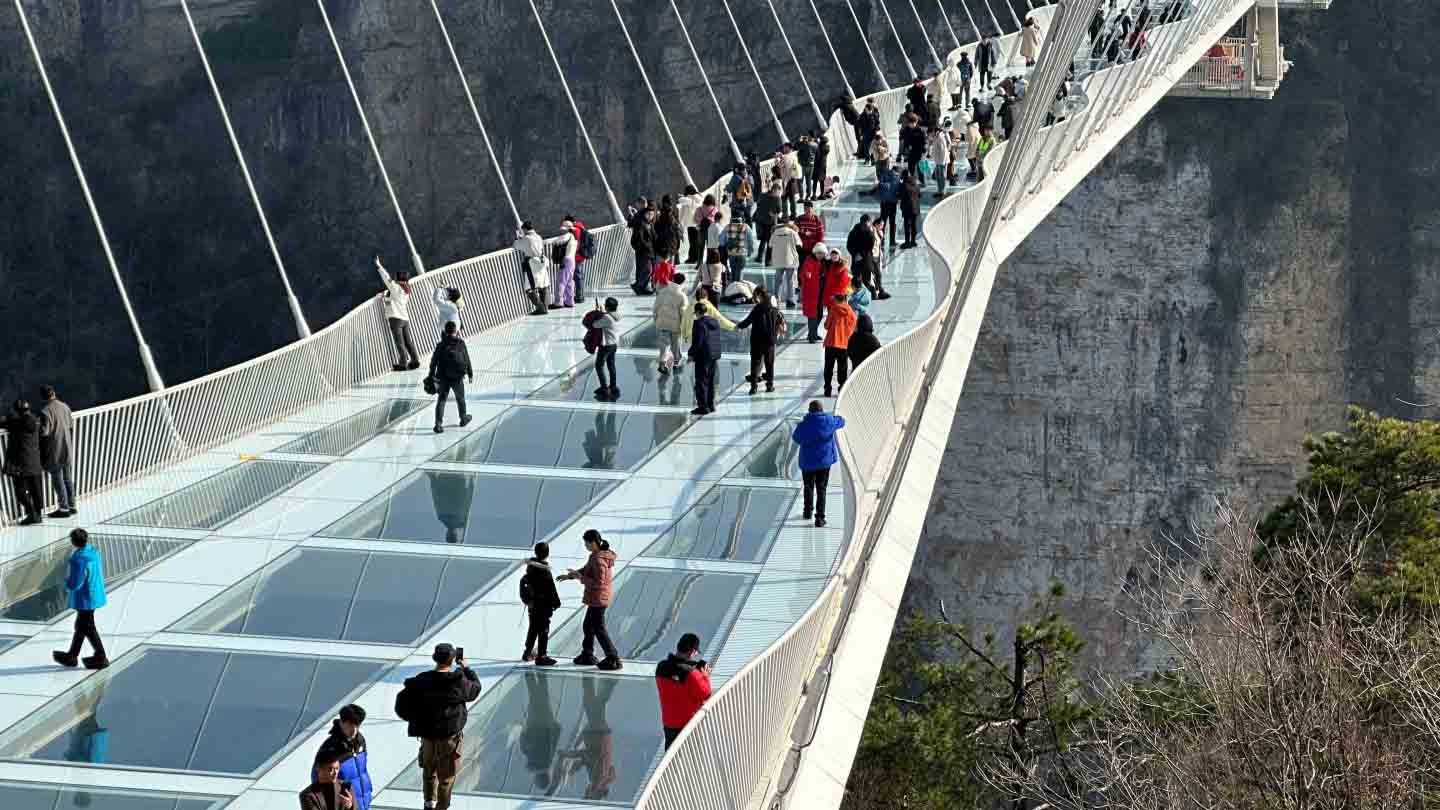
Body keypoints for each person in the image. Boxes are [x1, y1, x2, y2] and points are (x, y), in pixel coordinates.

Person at [394, 644, 482, 810]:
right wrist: (467, 668)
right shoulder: (457, 681)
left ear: (435, 658)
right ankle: (441, 806)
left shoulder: (421, 680)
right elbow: (475, 689)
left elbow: (401, 705)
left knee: (428, 771)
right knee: (446, 777)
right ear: (452, 660)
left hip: (427, 736)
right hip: (449, 738)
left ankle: (428, 803)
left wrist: (415, 720)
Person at [558, 529, 622, 670]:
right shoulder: (595, 556)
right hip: (596, 598)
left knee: (599, 629)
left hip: (599, 598)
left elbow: (600, 582)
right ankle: (587, 654)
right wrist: (571, 575)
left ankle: (613, 658)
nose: (585, 546)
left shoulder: (598, 559)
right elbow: (587, 570)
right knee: (588, 625)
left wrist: (580, 578)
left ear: (593, 542)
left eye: (587, 543)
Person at [51, 527, 107, 669]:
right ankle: (72, 655)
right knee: (82, 626)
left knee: (88, 627)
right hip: (94, 594)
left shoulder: (79, 560)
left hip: (85, 598)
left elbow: (75, 583)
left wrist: (66, 582)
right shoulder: (92, 552)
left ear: (74, 542)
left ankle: (101, 656)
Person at [655, 632, 713, 750]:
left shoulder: (661, 667)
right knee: (690, 760)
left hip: (669, 723)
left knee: (671, 759)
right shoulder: (691, 674)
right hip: (687, 725)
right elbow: (706, 693)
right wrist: (705, 676)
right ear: (692, 652)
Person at [791, 401, 845, 527]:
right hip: (824, 462)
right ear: (821, 410)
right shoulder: (828, 421)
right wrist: (835, 417)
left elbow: (796, 438)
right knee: (821, 489)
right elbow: (842, 421)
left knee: (808, 486)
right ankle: (820, 518)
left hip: (808, 462)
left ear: (809, 411)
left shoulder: (804, 425)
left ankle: (807, 511)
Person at [313, 705, 373, 810]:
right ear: (341, 722)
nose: (354, 730)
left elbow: (362, 771)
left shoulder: (360, 741)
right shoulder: (331, 748)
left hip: (363, 803)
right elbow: (316, 778)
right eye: (350, 725)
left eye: (357, 725)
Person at [735, 287, 784, 395]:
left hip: (757, 341)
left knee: (755, 364)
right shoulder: (774, 309)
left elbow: (747, 322)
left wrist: (737, 326)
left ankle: (754, 387)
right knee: (769, 364)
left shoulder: (757, 309)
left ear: (759, 295)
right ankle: (770, 385)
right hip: (770, 341)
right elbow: (780, 320)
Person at [798, 244, 851, 343]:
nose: (820, 255)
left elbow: (839, 266)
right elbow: (803, 274)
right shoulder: (809, 260)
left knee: (819, 314)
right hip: (811, 293)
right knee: (812, 315)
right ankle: (812, 336)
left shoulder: (824, 262)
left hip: (821, 293)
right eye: (819, 253)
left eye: (822, 253)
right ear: (815, 252)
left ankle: (813, 333)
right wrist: (806, 274)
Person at [521, 542, 562, 666]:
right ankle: (541, 656)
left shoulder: (530, 568)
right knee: (543, 630)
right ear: (547, 554)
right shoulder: (545, 571)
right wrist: (556, 603)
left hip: (533, 605)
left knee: (533, 628)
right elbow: (551, 589)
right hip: (543, 605)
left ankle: (528, 652)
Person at [3, 399, 43, 525]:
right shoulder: (35, 421)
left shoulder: (16, 424)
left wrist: (9, 417)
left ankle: (32, 514)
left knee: (20, 491)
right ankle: (38, 514)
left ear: (17, 411)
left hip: (21, 463)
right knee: (36, 490)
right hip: (35, 461)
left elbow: (3, 422)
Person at [429, 322, 473, 434]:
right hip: (457, 377)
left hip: (443, 377)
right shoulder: (460, 343)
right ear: (455, 331)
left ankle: (438, 425)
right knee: (460, 398)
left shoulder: (441, 345)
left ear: (445, 331)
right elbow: (466, 358)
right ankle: (463, 418)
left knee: (441, 400)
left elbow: (433, 362)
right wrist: (470, 373)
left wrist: (431, 375)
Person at [375, 258, 419, 370]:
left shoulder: (395, 287)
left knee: (399, 342)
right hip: (405, 318)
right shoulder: (406, 289)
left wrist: (379, 266)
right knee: (408, 341)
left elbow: (386, 278)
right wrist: (384, 296)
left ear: (398, 279)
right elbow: (393, 299)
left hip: (396, 319)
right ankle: (415, 360)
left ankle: (403, 364)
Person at [38, 385, 75, 519]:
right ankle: (72, 505)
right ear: (53, 393)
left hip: (55, 449)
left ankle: (64, 508)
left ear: (43, 397)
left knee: (58, 479)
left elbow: (45, 432)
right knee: (67, 478)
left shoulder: (45, 411)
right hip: (67, 447)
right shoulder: (65, 406)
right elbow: (70, 425)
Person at [687, 302, 722, 415]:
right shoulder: (715, 321)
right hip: (714, 355)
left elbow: (698, 341)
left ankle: (703, 407)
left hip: (703, 356)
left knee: (701, 381)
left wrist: (691, 354)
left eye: (695, 313)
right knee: (711, 381)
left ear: (697, 312)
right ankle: (711, 405)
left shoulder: (698, 324)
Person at [653, 272, 690, 375]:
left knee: (664, 344)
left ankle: (663, 363)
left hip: (662, 322)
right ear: (683, 282)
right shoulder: (682, 296)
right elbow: (683, 312)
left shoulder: (663, 291)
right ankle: (676, 362)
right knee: (675, 344)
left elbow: (656, 307)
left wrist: (656, 319)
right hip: (675, 324)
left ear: (672, 279)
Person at [823, 293, 856, 397]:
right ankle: (841, 387)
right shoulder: (850, 311)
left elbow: (827, 326)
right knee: (842, 367)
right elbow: (854, 325)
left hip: (831, 342)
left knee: (828, 367)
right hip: (844, 343)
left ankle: (827, 389)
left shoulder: (833, 309)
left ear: (837, 300)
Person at [513, 223, 550, 316]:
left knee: (529, 288)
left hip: (532, 264)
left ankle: (541, 308)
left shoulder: (527, 238)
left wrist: (518, 238)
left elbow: (516, 245)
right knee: (543, 285)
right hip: (541, 262)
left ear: (524, 229)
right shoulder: (538, 236)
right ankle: (545, 307)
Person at [591, 298, 622, 402]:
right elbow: (606, 316)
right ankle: (613, 386)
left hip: (606, 345)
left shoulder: (607, 318)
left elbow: (595, 324)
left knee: (599, 366)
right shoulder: (616, 315)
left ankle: (604, 388)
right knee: (611, 365)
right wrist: (602, 312)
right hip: (614, 344)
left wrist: (598, 313)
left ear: (607, 307)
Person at [770, 216, 802, 308]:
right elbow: (799, 244)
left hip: (778, 260)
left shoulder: (775, 232)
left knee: (777, 280)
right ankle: (790, 299)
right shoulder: (793, 232)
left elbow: (770, 244)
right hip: (790, 260)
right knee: (790, 280)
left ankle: (776, 298)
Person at [847, 215, 878, 296]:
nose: (866, 227)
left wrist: (861, 255)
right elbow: (849, 245)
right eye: (864, 225)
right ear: (861, 224)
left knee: (866, 279)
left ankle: (867, 295)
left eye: (868, 225)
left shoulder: (870, 234)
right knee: (855, 277)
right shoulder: (854, 232)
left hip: (866, 259)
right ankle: (855, 295)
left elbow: (869, 248)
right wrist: (855, 254)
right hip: (856, 259)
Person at [629, 209, 656, 297]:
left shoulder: (650, 224)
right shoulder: (641, 224)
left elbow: (653, 236)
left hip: (650, 250)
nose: (650, 216)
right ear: (645, 214)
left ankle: (642, 288)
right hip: (643, 251)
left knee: (648, 270)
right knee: (647, 269)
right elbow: (640, 238)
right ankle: (638, 286)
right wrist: (646, 246)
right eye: (648, 214)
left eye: (652, 214)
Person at [722, 214, 756, 286]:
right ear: (741, 219)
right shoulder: (746, 227)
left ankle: (733, 287)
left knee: (733, 270)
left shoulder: (727, 227)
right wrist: (750, 251)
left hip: (731, 253)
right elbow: (750, 240)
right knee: (740, 271)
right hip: (742, 253)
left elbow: (722, 241)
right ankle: (738, 288)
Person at [754, 181, 781, 265]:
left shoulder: (762, 195)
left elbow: (758, 205)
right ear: (774, 190)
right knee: (770, 241)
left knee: (763, 240)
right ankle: (768, 260)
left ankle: (759, 257)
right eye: (778, 191)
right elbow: (779, 210)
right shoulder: (777, 199)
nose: (778, 193)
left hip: (760, 221)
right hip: (770, 223)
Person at [876, 166, 902, 250]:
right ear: (897, 171)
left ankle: (881, 240)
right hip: (892, 203)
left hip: (883, 203)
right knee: (892, 222)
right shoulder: (897, 178)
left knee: (882, 222)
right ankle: (892, 241)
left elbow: (879, 185)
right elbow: (898, 190)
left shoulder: (884, 175)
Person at [677, 185, 703, 265]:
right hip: (697, 223)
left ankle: (692, 258)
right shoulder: (698, 198)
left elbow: (680, 200)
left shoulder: (689, 199)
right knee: (696, 242)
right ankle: (696, 257)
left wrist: (683, 196)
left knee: (692, 242)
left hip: (691, 224)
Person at [693, 194, 721, 268]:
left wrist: (700, 222)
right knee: (710, 248)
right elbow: (717, 220)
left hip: (701, 230)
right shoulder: (715, 209)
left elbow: (695, 219)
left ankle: (699, 264)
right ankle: (709, 263)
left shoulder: (699, 209)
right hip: (711, 231)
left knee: (700, 248)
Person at [655, 198, 683, 265]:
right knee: (670, 269)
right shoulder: (672, 216)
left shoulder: (659, 216)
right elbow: (676, 231)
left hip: (662, 247)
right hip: (670, 246)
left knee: (661, 269)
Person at [899, 113, 927, 178]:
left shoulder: (920, 130)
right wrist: (905, 149)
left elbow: (924, 142)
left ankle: (922, 180)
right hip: (910, 152)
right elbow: (904, 139)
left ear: (916, 122)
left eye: (912, 123)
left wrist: (924, 151)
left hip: (918, 151)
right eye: (909, 123)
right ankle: (911, 180)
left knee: (920, 168)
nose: (911, 125)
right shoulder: (906, 129)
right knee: (911, 167)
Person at [900, 170, 922, 249]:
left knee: (907, 225)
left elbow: (901, 195)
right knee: (913, 224)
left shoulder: (904, 184)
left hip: (907, 208)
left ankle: (907, 242)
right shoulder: (916, 183)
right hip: (915, 207)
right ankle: (913, 241)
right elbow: (920, 194)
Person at [810, 135, 830, 201]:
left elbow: (817, 156)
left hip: (817, 166)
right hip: (823, 166)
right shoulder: (827, 147)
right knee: (822, 181)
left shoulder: (819, 148)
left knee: (815, 181)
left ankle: (814, 195)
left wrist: (816, 142)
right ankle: (822, 194)